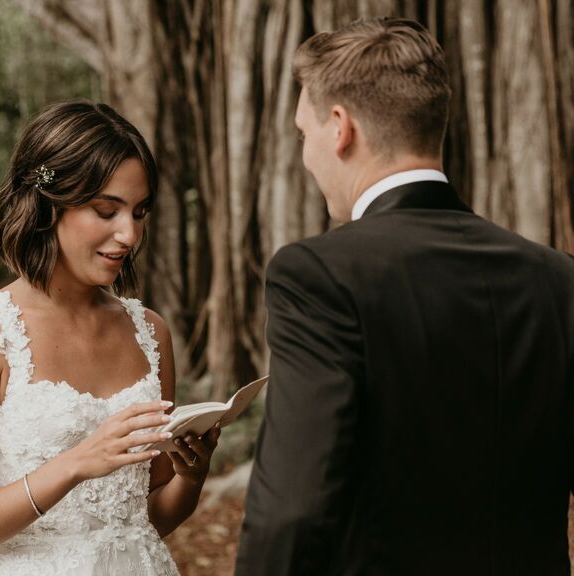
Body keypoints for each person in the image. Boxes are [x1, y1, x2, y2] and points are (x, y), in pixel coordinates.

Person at [236, 17, 574, 576]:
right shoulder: (559, 278)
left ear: (340, 128)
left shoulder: (319, 275)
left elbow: (289, 513)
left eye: (304, 134)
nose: (305, 157)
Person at [0, 100, 220, 575]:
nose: (129, 234)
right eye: (107, 210)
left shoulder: (150, 333)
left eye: (139, 212)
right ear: (49, 204)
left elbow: (146, 521)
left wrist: (190, 477)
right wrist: (75, 463)